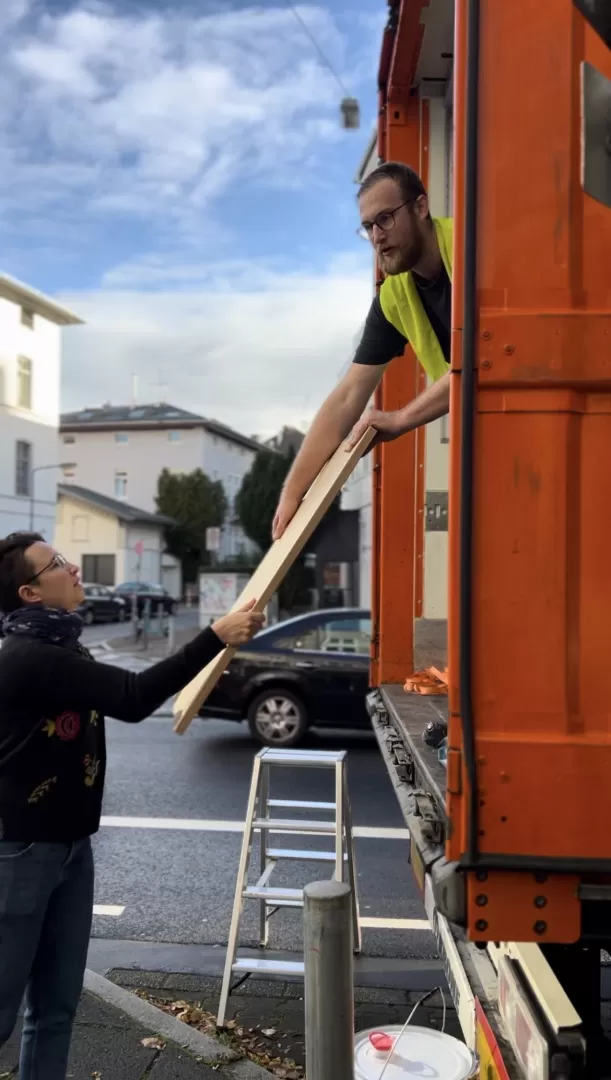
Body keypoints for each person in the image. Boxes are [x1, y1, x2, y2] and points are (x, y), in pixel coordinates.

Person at [0, 531, 264, 1080]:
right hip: (21, 851)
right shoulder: (30, 657)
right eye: (58, 564)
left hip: (71, 846)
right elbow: (133, 698)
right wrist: (214, 636)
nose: (74, 569)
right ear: (29, 593)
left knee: (54, 1010)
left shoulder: (62, 645)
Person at [273, 161, 453, 539]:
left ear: (421, 207)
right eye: (368, 226)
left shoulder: (476, 249)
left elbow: (490, 360)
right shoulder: (395, 296)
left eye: (385, 219)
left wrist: (401, 418)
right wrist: (292, 494)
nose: (377, 236)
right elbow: (348, 396)